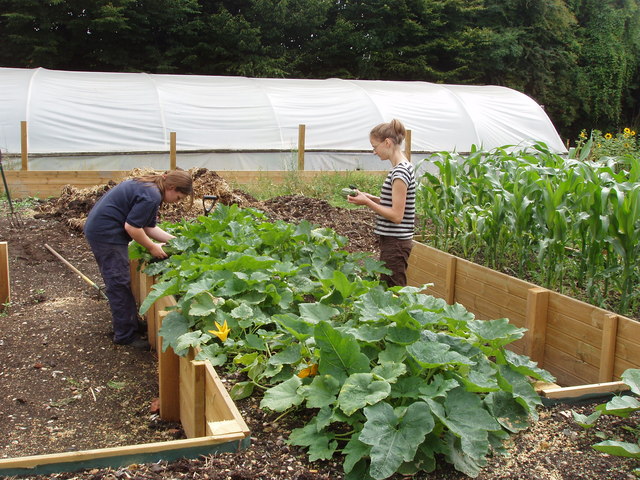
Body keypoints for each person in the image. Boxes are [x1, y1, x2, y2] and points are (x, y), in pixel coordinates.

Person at [84, 170, 194, 349]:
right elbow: (133, 228)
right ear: (171, 187)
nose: (177, 201)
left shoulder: (150, 189)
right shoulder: (151, 196)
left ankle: (130, 324)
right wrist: (152, 247)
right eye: (179, 197)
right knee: (118, 282)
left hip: (104, 229)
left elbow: (149, 228)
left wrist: (178, 242)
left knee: (120, 281)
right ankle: (125, 335)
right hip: (106, 234)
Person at [348, 119, 416, 287]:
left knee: (393, 291)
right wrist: (370, 198)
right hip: (395, 242)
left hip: (396, 242)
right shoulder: (404, 167)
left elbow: (396, 216)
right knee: (390, 288)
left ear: (387, 142)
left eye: (374, 146)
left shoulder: (400, 172)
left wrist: (367, 203)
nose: (374, 152)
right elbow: (397, 203)